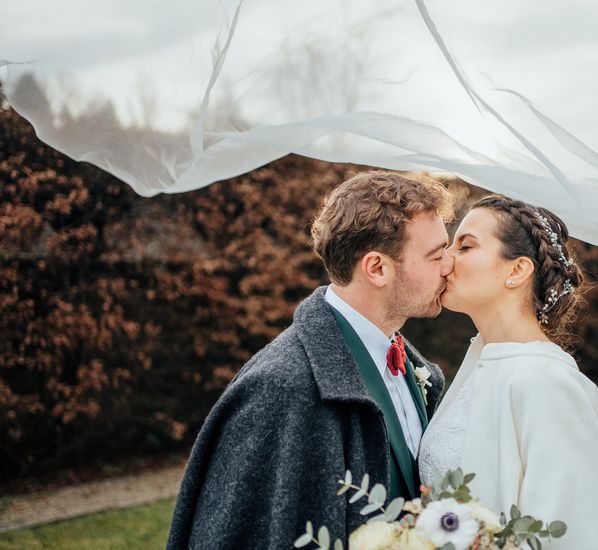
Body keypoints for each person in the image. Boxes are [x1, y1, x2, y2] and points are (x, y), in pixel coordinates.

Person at [167, 171, 454, 549]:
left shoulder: (418, 372)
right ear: (377, 268)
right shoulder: (280, 387)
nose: (449, 265)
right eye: (436, 255)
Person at [417, 195, 598, 549]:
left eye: (465, 246)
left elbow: (570, 533)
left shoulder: (547, 383)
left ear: (517, 271)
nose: (445, 260)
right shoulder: (479, 365)